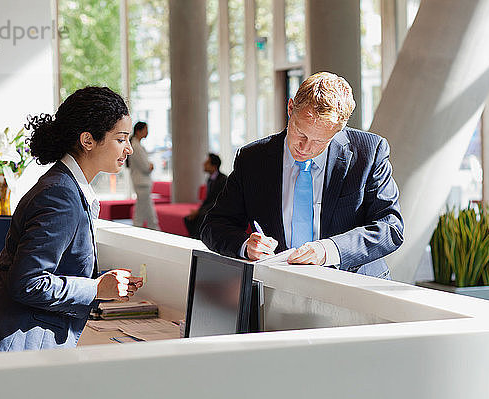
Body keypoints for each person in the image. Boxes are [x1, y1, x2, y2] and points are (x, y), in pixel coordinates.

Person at [0, 86, 143, 353]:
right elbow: (28, 282)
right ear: (88, 140)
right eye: (121, 139)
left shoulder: (66, 186)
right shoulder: (61, 194)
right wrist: (96, 288)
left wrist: (101, 283)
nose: (129, 149)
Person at [201, 72, 404, 278]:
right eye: (301, 133)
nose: (305, 148)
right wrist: (245, 244)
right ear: (290, 109)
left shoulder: (369, 153)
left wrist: (328, 250)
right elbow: (214, 226)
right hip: (279, 290)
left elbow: (390, 228)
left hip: (355, 289)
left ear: (338, 131)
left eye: (319, 141)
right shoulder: (252, 159)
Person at [184, 153, 228, 239]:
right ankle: (196, 239)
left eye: (207, 162)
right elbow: (208, 199)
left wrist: (200, 211)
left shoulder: (223, 180)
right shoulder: (209, 179)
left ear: (214, 166)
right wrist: (198, 210)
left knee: (202, 217)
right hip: (210, 207)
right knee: (188, 219)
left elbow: (218, 200)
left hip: (219, 208)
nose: (203, 164)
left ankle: (201, 239)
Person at [128, 121, 160, 230]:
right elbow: (145, 167)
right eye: (146, 129)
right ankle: (145, 230)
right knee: (141, 213)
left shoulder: (137, 145)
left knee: (146, 211)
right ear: (139, 131)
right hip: (142, 183)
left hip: (142, 182)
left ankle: (155, 229)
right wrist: (150, 166)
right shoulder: (135, 146)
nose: (147, 132)